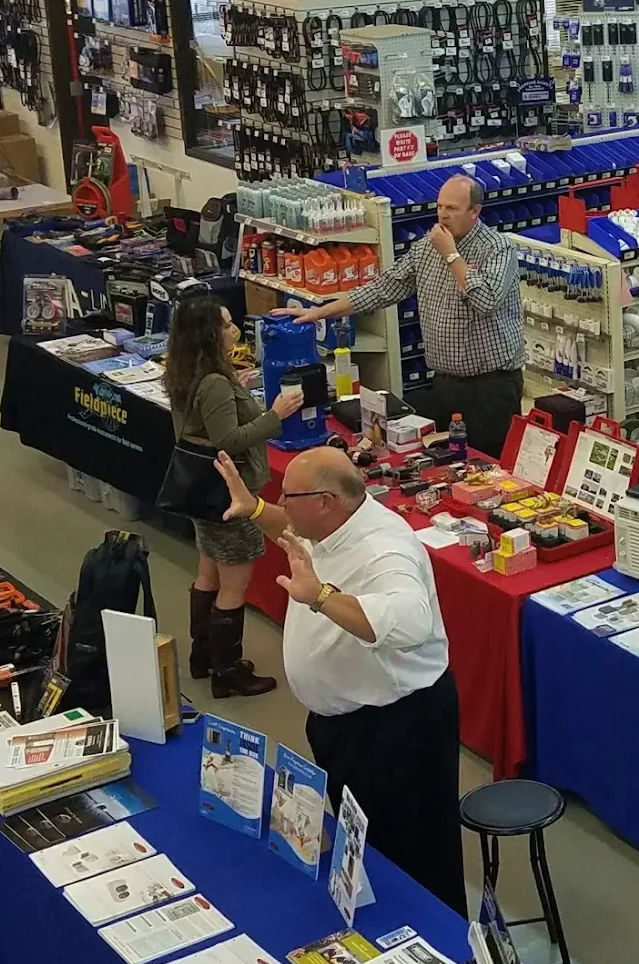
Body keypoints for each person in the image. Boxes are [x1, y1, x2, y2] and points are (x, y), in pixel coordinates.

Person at [212, 443, 466, 913]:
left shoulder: (384, 549)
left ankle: (431, 936)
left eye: (289, 496)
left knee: (411, 855)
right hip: (345, 724)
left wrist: (321, 596)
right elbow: (293, 528)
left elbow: (412, 622)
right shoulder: (330, 525)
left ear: (326, 501)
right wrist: (254, 509)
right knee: (364, 840)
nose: (281, 503)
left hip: (395, 730)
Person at [281, 174, 524, 456]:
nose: (443, 215)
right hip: (445, 384)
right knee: (448, 464)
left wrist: (451, 255)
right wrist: (320, 312)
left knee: (489, 465)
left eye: (452, 209)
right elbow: (382, 289)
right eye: (440, 206)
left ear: (475, 212)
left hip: (490, 388)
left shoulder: (497, 249)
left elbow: (486, 301)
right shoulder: (425, 248)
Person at [162, 291, 296, 699]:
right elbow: (229, 441)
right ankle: (228, 670)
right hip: (228, 493)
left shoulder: (183, 373)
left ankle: (202, 657)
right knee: (235, 584)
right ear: (209, 334)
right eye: (225, 324)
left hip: (200, 493)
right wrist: (275, 415)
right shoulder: (215, 383)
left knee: (208, 572)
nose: (233, 330)